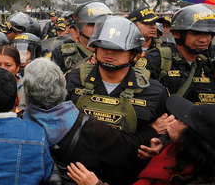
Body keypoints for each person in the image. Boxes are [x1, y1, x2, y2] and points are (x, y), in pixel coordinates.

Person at [22, 58, 173, 185]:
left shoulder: (18, 127)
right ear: (63, 88)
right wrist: (153, 130)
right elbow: (130, 148)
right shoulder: (89, 127)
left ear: (25, 93)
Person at [67, 93, 215, 185]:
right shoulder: (179, 154)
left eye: (183, 121)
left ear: (195, 140)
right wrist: (163, 145)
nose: (174, 120)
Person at [67, 15, 169, 134]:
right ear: (96, 49)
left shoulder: (154, 92)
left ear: (133, 54)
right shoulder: (72, 80)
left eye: (118, 49)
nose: (109, 52)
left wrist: (157, 143)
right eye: (104, 46)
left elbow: (167, 129)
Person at [135, 4, 215, 104]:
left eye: (208, 34)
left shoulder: (208, 64)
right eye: (196, 33)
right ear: (177, 34)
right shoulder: (156, 60)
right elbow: (138, 99)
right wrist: (157, 120)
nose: (203, 40)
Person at [51, 1, 114, 73]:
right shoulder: (60, 54)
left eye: (103, 24)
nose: (100, 28)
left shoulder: (116, 53)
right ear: (78, 29)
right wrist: (79, 71)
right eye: (93, 24)